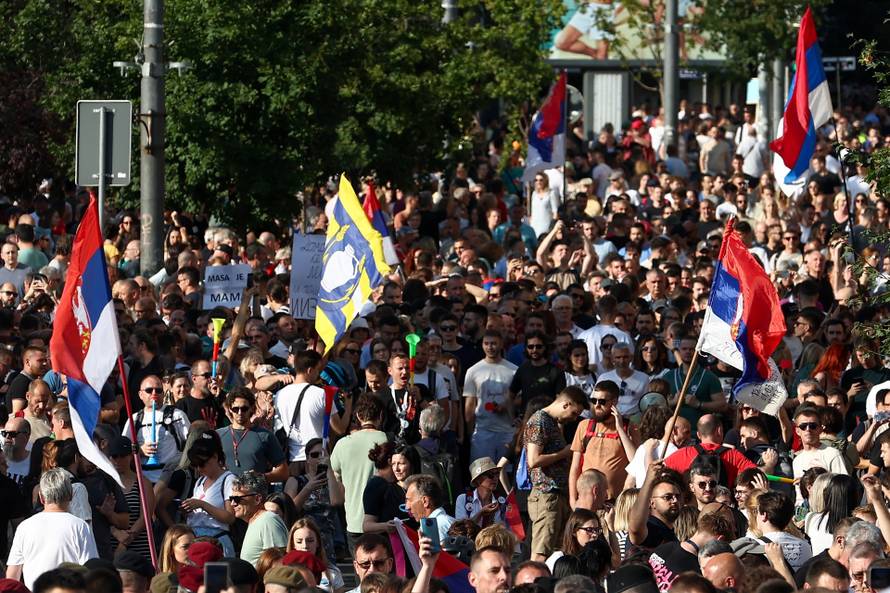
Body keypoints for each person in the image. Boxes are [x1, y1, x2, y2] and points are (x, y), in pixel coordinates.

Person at [6, 468, 98, 590]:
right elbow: (90, 570)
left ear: (41, 497)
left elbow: (12, 575)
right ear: (70, 495)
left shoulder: (25, 527)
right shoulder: (79, 526)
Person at [525, 387, 587, 561]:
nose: (574, 418)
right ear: (566, 404)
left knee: (557, 553)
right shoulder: (539, 420)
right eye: (574, 413)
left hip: (557, 495)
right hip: (546, 495)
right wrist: (564, 453)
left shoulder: (552, 422)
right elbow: (533, 460)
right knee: (541, 553)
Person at [330, 396, 389, 553]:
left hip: (354, 522)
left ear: (357, 416)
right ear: (381, 416)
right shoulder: (388, 441)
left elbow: (335, 480)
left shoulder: (342, 444)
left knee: (361, 572)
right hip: (382, 522)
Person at [569, 380, 637, 503]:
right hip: (587, 500)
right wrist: (573, 499)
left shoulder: (630, 427)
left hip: (616, 501)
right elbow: (575, 468)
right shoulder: (584, 426)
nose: (597, 405)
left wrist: (620, 429)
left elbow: (636, 462)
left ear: (614, 402)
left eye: (602, 401)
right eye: (594, 401)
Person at [121, 374, 189, 483]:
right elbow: (123, 450)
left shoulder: (177, 415)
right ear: (140, 394)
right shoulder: (134, 420)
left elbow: (190, 444)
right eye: (149, 390)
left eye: (158, 390)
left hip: (171, 478)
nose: (154, 393)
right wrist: (140, 451)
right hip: (143, 480)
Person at [664, 414, 760, 488]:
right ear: (719, 431)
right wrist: (769, 464)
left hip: (692, 510)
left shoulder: (682, 454)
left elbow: (661, 473)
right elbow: (756, 475)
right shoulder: (733, 455)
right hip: (722, 509)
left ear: (698, 435)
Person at [464, 330, 517, 462]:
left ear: (501, 344)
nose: (490, 347)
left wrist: (506, 405)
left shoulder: (513, 370)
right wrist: (470, 433)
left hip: (507, 430)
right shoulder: (473, 371)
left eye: (493, 343)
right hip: (482, 431)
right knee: (482, 473)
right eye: (486, 343)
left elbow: (520, 398)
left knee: (506, 472)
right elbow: (470, 405)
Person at [285, 437, 343, 560]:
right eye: (314, 455)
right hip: (302, 540)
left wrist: (329, 469)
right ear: (307, 458)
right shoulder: (295, 481)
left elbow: (337, 501)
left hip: (326, 542)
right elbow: (289, 509)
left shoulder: (334, 482)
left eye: (322, 454)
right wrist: (308, 488)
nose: (319, 458)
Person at [181, 431, 237, 556]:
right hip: (196, 541)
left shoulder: (229, 479)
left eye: (202, 464)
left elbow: (230, 517)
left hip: (217, 541)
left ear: (215, 457)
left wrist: (202, 505)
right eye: (195, 465)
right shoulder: (200, 481)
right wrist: (187, 510)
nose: (199, 469)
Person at [218, 388, 288, 481]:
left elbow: (284, 472)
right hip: (225, 493)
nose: (240, 413)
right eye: (235, 409)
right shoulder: (218, 435)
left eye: (244, 409)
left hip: (254, 493)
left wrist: (260, 477)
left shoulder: (265, 435)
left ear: (251, 408)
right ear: (230, 409)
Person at [107, 436, 153, 560]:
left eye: (122, 456)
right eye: (114, 456)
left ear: (130, 456)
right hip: (111, 547)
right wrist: (116, 533)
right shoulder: (105, 483)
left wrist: (124, 542)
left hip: (140, 550)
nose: (118, 460)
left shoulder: (143, 483)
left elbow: (145, 517)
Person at [234, 471, 289, 567]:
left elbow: (278, 565)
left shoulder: (268, 520)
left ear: (257, 499)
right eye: (231, 499)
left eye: (237, 499)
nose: (233, 503)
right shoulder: (258, 521)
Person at [361, 441, 414, 535]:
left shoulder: (394, 483)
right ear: (390, 461)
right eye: (395, 463)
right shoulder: (376, 485)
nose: (397, 468)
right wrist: (386, 526)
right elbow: (367, 525)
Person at [628, 460, 682, 550]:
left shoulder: (669, 532)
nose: (675, 500)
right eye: (668, 497)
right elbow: (635, 529)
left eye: (677, 496)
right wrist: (648, 480)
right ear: (651, 503)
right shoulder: (651, 527)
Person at [286, 517, 345, 593]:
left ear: (318, 542)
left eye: (310, 541)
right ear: (293, 544)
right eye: (299, 541)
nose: (305, 546)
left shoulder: (332, 572)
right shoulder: (283, 571)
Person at [404, 474, 456, 544]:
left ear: (425, 501)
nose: (407, 507)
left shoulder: (438, 526)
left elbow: (443, 555)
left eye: (409, 500)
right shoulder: (438, 524)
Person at [455, 457, 506, 527]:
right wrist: (481, 514)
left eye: (497, 474)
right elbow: (460, 529)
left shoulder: (502, 502)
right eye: (490, 475)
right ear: (478, 479)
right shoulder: (463, 499)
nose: (495, 478)